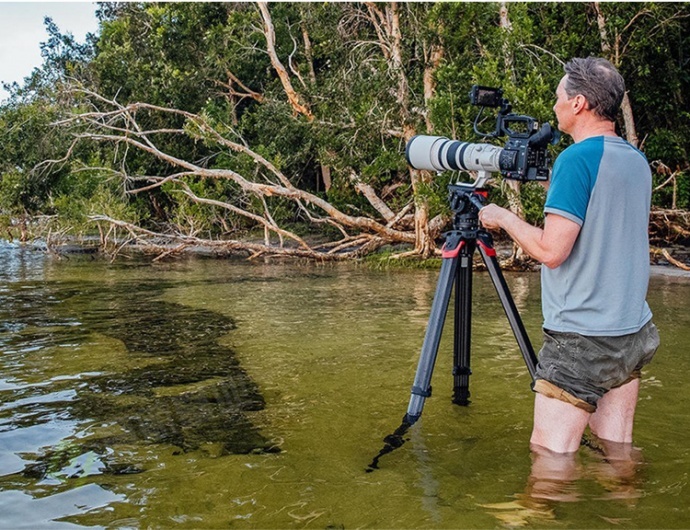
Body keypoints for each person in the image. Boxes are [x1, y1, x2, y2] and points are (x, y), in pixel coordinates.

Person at [478, 57, 660, 454]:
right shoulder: (634, 159)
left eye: (558, 96)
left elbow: (551, 250)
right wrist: (550, 184)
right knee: (617, 450)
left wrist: (502, 217)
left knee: (550, 457)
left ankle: (542, 516)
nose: (554, 104)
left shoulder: (576, 159)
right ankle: (624, 511)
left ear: (578, 103)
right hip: (631, 331)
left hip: (583, 338)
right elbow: (599, 222)